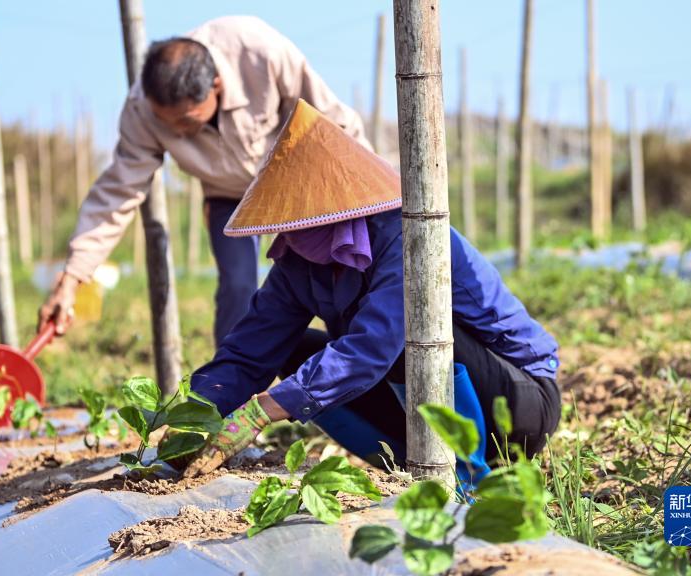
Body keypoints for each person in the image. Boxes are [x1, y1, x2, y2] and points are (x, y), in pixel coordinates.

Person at [178, 99, 562, 484]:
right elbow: (248, 350)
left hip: (517, 404)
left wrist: (263, 410)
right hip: (419, 407)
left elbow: (374, 346)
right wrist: (192, 420)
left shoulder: (408, 234)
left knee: (409, 334)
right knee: (293, 353)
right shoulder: (297, 261)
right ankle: (413, 464)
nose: (291, 231)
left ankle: (464, 478)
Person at [38, 16, 369, 345]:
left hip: (299, 184)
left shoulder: (261, 52)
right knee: (238, 285)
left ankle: (350, 376)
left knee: (333, 279)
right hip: (228, 197)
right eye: (167, 125)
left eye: (186, 120)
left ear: (216, 85)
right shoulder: (141, 109)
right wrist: (72, 278)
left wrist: (372, 208)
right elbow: (117, 193)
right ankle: (228, 389)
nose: (178, 132)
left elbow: (336, 127)